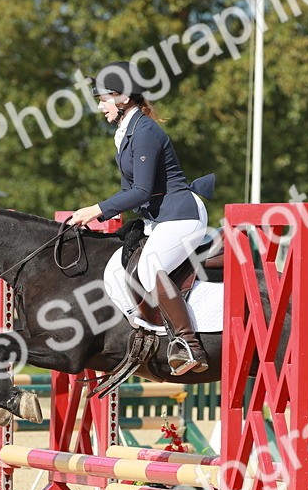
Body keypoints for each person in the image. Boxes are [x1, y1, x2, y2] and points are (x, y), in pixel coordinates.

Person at [67, 61, 209, 375]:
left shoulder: (145, 131)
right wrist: (104, 213)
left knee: (150, 266)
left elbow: (142, 190)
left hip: (181, 216)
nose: (100, 105)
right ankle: (146, 333)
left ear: (124, 98)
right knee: (120, 266)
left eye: (104, 98)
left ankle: (189, 344)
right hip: (158, 219)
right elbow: (127, 190)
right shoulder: (125, 132)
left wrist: (97, 210)